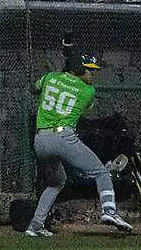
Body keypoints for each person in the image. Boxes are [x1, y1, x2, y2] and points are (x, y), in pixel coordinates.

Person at [25, 36, 134, 237]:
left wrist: (54, 82)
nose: (92, 74)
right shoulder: (87, 91)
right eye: (89, 70)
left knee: (56, 182)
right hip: (63, 138)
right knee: (101, 172)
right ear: (77, 70)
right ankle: (110, 211)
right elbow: (83, 111)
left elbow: (34, 88)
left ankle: (35, 226)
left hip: (40, 141)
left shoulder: (50, 77)